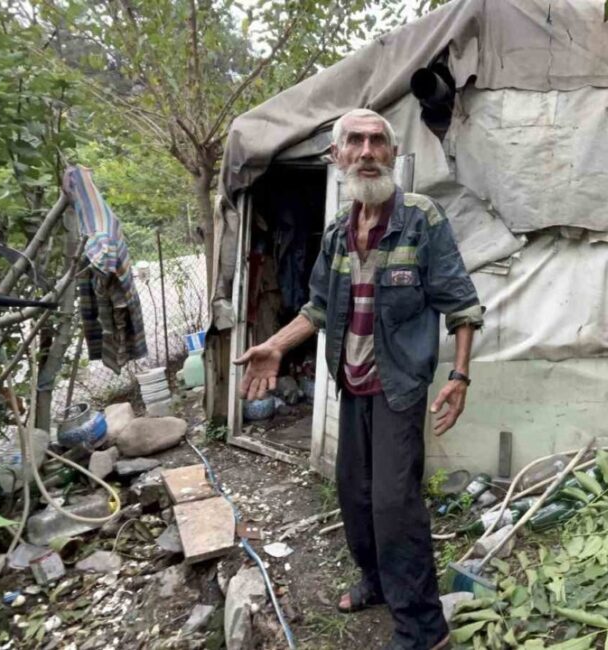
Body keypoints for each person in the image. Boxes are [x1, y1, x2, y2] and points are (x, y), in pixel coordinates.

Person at [234, 108, 484, 650]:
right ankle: (377, 581)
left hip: (399, 386)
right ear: (337, 156)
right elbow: (319, 307)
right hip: (351, 382)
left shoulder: (422, 218)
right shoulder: (335, 234)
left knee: (396, 503)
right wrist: (275, 346)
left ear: (392, 154)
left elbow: (461, 304)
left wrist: (459, 375)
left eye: (377, 141)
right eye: (355, 141)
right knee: (355, 495)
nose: (367, 150)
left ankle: (423, 626)